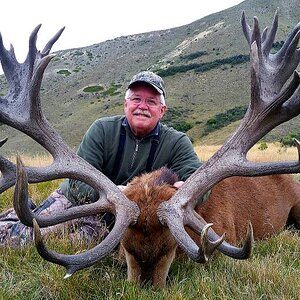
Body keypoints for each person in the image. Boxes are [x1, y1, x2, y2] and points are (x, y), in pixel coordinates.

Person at [0, 71, 202, 246]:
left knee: (73, 245)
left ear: (162, 111)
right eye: (136, 99)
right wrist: (114, 194)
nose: (142, 106)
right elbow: (77, 182)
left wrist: (188, 190)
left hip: (116, 221)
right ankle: (13, 218)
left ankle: (32, 210)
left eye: (151, 101)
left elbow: (201, 182)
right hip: (76, 202)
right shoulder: (102, 129)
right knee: (19, 241)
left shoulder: (177, 142)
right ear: (125, 105)